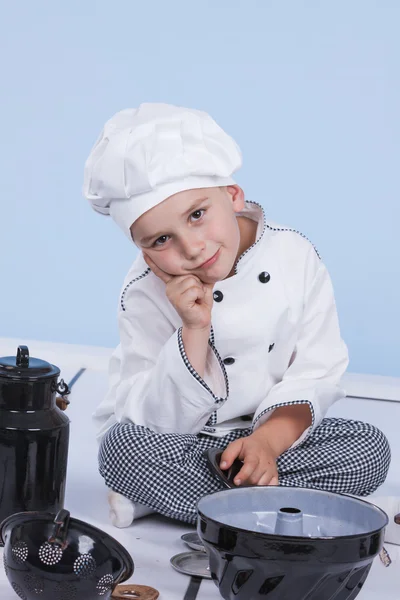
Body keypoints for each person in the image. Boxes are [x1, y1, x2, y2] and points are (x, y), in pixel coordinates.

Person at [83, 102, 392, 531]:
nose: (191, 248)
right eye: (161, 239)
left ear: (232, 195)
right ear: (142, 249)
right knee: (121, 449)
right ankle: (271, 505)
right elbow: (151, 419)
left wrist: (265, 444)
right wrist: (193, 328)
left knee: (368, 448)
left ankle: (194, 503)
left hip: (278, 438)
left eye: (197, 214)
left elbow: (316, 370)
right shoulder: (142, 292)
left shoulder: (293, 255)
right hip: (185, 444)